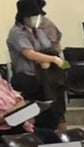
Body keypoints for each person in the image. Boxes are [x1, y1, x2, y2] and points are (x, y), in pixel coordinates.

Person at [6, 0, 65, 131]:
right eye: (33, 16)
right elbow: (29, 53)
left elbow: (50, 48)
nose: (36, 19)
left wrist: (53, 59)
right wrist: (53, 59)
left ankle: (59, 131)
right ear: (24, 17)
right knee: (40, 107)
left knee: (57, 103)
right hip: (27, 77)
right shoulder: (16, 32)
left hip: (46, 75)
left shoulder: (39, 31)